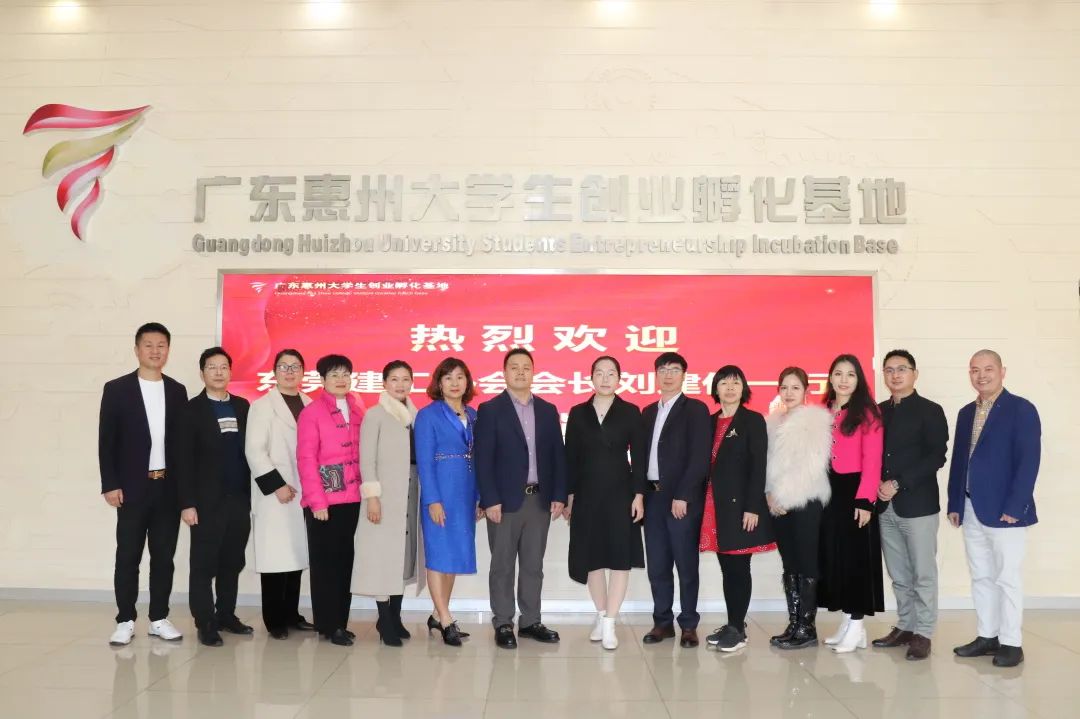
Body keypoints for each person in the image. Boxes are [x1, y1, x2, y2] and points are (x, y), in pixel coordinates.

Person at [948, 350, 1041, 668]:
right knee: (981, 576)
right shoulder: (965, 413)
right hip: (970, 506)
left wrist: (1016, 506)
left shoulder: (1021, 409)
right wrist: (955, 502)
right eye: (975, 370)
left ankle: (1012, 642)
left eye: (988, 369)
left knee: (1007, 578)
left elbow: (1029, 461)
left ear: (1003, 371)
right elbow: (960, 461)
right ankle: (987, 636)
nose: (981, 375)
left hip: (1006, 511)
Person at [98, 322, 188, 646]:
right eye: (148, 345)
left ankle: (159, 618)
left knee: (163, 557)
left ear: (168, 350)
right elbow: (106, 441)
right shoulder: (117, 389)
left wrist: (185, 492)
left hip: (167, 487)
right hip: (132, 488)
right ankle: (125, 619)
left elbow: (182, 446)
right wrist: (110, 483)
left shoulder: (177, 390)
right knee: (128, 556)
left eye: (161, 345)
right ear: (137, 350)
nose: (155, 351)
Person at [476, 349, 568, 649]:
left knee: (533, 565)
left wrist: (559, 494)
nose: (520, 372)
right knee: (502, 565)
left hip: (539, 500)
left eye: (526, 367)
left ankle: (530, 621)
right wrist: (489, 499)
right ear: (504, 373)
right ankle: (503, 622)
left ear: (533, 372)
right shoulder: (490, 409)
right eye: (514, 367)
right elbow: (483, 459)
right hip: (503, 503)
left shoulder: (548, 410)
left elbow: (557, 455)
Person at [564, 355, 645, 650]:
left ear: (619, 379)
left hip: (621, 494)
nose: (605, 378)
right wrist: (569, 496)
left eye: (611, 373)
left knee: (620, 558)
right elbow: (570, 458)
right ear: (591, 378)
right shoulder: (578, 413)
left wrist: (639, 495)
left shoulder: (630, 412)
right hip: (586, 495)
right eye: (599, 373)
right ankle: (600, 614)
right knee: (592, 558)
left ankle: (611, 621)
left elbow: (640, 457)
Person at [873, 350, 949, 661]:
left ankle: (924, 632)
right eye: (889, 370)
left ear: (914, 373)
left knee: (923, 573)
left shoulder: (930, 410)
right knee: (899, 573)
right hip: (884, 507)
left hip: (917, 505)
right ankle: (905, 625)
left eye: (901, 369)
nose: (895, 375)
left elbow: (936, 456)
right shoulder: (878, 412)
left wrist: (898, 483)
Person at [175, 347, 253, 647]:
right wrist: (187, 503)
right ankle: (205, 622)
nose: (218, 372)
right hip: (206, 503)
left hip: (239, 499)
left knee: (232, 562)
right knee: (203, 565)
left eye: (223, 367)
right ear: (202, 373)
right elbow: (182, 460)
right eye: (212, 367)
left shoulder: (243, 406)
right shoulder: (190, 410)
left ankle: (226, 615)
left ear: (230, 372)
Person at [700, 365, 774, 653]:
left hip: (741, 506)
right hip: (714, 506)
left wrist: (753, 506)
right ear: (716, 389)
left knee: (739, 568)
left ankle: (738, 630)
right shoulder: (709, 422)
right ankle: (734, 623)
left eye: (735, 383)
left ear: (744, 388)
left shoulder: (752, 420)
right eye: (724, 383)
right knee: (726, 567)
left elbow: (759, 466)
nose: (730, 388)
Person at [639, 352, 711, 648]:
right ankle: (662, 622)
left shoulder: (695, 410)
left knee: (685, 564)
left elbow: (700, 457)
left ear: (684, 375)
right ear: (655, 375)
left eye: (674, 370)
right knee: (657, 565)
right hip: (652, 498)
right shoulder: (647, 412)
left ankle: (689, 624)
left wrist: (683, 495)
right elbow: (640, 458)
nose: (668, 375)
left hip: (681, 499)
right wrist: (639, 494)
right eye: (663, 370)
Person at [352, 360, 425, 647]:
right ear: (384, 383)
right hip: (383, 497)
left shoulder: (416, 415)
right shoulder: (375, 415)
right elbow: (366, 460)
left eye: (405, 379)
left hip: (410, 492)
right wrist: (372, 497)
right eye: (394, 379)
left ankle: (395, 617)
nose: (400, 384)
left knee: (402, 557)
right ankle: (384, 620)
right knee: (383, 558)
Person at [244, 349, 315, 640]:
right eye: (284, 366)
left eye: (295, 366)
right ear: (274, 372)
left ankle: (291, 614)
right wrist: (277, 485)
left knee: (296, 555)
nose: (289, 371)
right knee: (276, 557)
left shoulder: (310, 404)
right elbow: (254, 450)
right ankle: (274, 619)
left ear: (303, 372)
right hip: (275, 495)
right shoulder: (262, 406)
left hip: (304, 491)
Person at [817, 354, 886, 653]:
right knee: (838, 559)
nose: (844, 380)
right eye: (838, 374)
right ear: (830, 378)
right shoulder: (824, 411)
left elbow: (873, 460)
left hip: (855, 490)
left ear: (859, 380)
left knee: (857, 560)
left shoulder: (868, 413)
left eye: (850, 374)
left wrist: (865, 500)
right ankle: (848, 623)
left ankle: (857, 624)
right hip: (829, 491)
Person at [765, 367, 834, 650]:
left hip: (805, 501)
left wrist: (783, 497)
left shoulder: (816, 421)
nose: (789, 393)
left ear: (806, 390)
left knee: (806, 563)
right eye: (784, 387)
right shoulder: (771, 423)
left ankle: (808, 628)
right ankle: (794, 624)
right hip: (778, 504)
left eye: (795, 387)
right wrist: (769, 495)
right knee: (789, 563)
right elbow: (766, 465)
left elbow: (811, 466)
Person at [296, 354, 363, 647]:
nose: (341, 379)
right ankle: (328, 624)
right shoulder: (311, 412)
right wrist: (317, 501)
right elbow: (306, 459)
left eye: (345, 374)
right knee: (325, 565)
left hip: (353, 498)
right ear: (322, 380)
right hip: (324, 501)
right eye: (334, 374)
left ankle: (340, 623)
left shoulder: (357, 409)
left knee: (345, 562)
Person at [415, 357, 481, 647]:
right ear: (439, 384)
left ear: (467, 382)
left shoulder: (474, 415)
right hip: (440, 493)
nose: (455, 383)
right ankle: (445, 619)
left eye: (460, 377)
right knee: (438, 554)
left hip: (465, 493)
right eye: (448, 378)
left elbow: (479, 459)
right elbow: (424, 462)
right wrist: (432, 499)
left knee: (453, 555)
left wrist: (480, 497)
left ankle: (437, 613)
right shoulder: (428, 415)